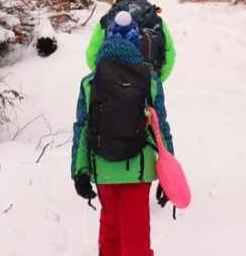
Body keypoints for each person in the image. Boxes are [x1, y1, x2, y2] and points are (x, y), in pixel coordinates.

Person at [71, 13, 174, 256]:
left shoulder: (89, 82)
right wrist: (168, 176)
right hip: (138, 169)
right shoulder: (150, 81)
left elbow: (82, 128)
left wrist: (80, 172)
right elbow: (162, 127)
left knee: (110, 227)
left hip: (103, 166)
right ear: (136, 45)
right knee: (136, 231)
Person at [85, 0, 176, 82]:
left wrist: (103, 76)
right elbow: (169, 55)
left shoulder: (107, 19)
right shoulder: (155, 19)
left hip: (110, 85)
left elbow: (92, 54)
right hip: (146, 84)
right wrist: (155, 83)